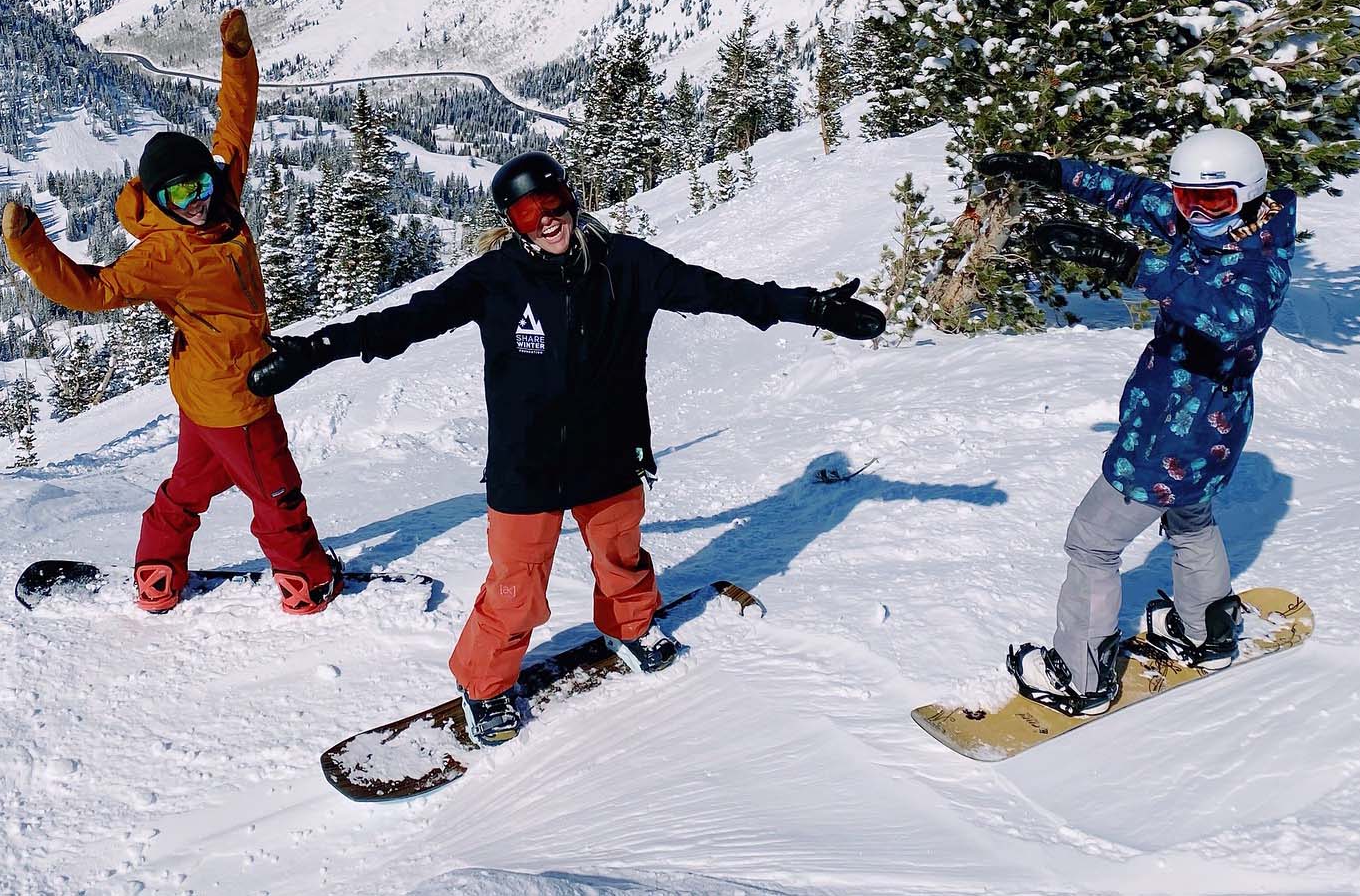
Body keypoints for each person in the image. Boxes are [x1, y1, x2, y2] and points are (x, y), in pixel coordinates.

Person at [247, 151, 886, 746]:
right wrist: (318, 349)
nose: (546, 221)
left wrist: (812, 308)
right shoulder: (496, 279)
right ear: (512, 222)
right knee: (517, 585)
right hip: (528, 465)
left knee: (621, 557)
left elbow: (725, 293)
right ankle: (484, 685)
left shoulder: (628, 265)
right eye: (528, 214)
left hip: (610, 452)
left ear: (571, 200)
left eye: (552, 205)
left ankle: (631, 629)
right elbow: (405, 321)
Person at [2, 9, 341, 616]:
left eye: (201, 186)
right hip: (236, 397)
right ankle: (306, 581)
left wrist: (237, 57)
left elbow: (235, 122)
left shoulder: (221, 197)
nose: (197, 202)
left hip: (201, 388)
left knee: (189, 487)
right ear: (158, 199)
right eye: (180, 194)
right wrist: (31, 247)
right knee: (277, 491)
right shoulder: (163, 255)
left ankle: (157, 574)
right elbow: (92, 291)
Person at [979, 127, 1295, 716]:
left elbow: (1230, 318)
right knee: (1191, 518)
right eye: (1187, 199)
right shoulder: (1222, 226)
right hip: (1211, 427)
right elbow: (1128, 193)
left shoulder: (1258, 266)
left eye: (1215, 201)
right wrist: (1053, 172)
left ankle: (1080, 676)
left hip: (1174, 432)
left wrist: (1129, 263)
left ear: (1249, 194)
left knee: (1092, 541)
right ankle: (1205, 632)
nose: (1198, 214)